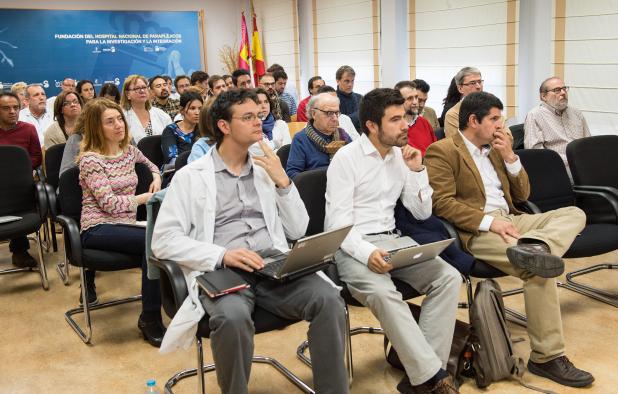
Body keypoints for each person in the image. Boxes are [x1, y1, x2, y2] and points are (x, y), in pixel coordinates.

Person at [151, 89, 349, 394]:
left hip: (272, 264)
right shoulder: (191, 177)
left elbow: (298, 228)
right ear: (224, 126)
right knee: (232, 317)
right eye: (248, 117)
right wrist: (222, 255)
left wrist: (283, 182)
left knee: (329, 299)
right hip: (222, 271)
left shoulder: (265, 168)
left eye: (259, 115)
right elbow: (162, 241)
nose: (259, 122)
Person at [425, 91, 594, 389]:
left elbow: (523, 196)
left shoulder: (495, 149)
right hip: (480, 228)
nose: (500, 125)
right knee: (540, 270)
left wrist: (511, 157)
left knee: (574, 213)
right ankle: (547, 357)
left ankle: (536, 246)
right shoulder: (442, 151)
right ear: (473, 120)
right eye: (494, 119)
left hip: (515, 220)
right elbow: (442, 204)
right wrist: (491, 222)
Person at [325, 88, 461, 393]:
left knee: (448, 277)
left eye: (405, 118)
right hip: (353, 245)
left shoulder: (403, 156)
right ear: (372, 125)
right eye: (396, 119)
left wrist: (417, 171)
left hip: (394, 241)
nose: (405, 126)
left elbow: (422, 211)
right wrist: (366, 251)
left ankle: (423, 379)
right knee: (386, 295)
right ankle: (435, 380)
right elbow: (337, 224)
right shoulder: (346, 160)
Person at [77, 98, 164, 346]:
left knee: (155, 246)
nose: (118, 125)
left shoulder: (129, 151)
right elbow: (108, 204)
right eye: (110, 121)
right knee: (154, 243)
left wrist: (156, 178)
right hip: (97, 228)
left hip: (125, 226)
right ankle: (151, 318)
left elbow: (151, 165)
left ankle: (151, 315)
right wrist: (143, 198)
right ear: (97, 127)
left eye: (119, 119)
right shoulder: (90, 160)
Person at [0, 92, 42, 268]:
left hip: (20, 186)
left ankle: (19, 251)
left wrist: (17, 167)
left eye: (16, 107)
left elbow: (37, 158)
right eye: (6, 108)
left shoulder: (28, 129)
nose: (12, 111)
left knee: (25, 195)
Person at [524, 77, 590, 174]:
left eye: (564, 89)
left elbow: (588, 142)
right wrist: (571, 161)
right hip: (558, 169)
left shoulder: (576, 113)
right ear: (543, 96)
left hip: (584, 164)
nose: (563, 93)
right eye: (557, 90)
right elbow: (535, 153)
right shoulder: (535, 115)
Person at [286, 93, 353, 179]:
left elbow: (355, 161)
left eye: (337, 113)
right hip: (315, 189)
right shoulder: (301, 139)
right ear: (314, 114)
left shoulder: (342, 135)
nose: (335, 118)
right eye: (329, 113)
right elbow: (293, 174)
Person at [121, 74, 172, 143]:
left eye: (144, 87)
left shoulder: (161, 115)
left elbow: (171, 141)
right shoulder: (122, 117)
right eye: (136, 88)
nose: (142, 91)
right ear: (128, 94)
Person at [394, 80, 436, 156]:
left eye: (416, 97)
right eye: (410, 98)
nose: (415, 102)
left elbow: (436, 150)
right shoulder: (393, 127)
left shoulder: (424, 122)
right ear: (398, 101)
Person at [160, 92, 203, 167]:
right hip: (176, 172)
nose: (197, 112)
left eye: (200, 108)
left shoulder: (203, 128)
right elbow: (172, 161)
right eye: (192, 108)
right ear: (181, 110)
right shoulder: (170, 131)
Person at [249, 88, 290, 156]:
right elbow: (256, 150)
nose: (263, 106)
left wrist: (270, 149)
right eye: (259, 102)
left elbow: (287, 150)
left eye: (266, 102)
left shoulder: (281, 124)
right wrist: (275, 144)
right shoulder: (249, 126)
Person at [336, 65, 363, 130]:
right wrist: (358, 114)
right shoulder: (332, 99)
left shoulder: (360, 98)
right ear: (338, 81)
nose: (350, 84)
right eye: (346, 81)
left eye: (352, 81)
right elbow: (338, 123)